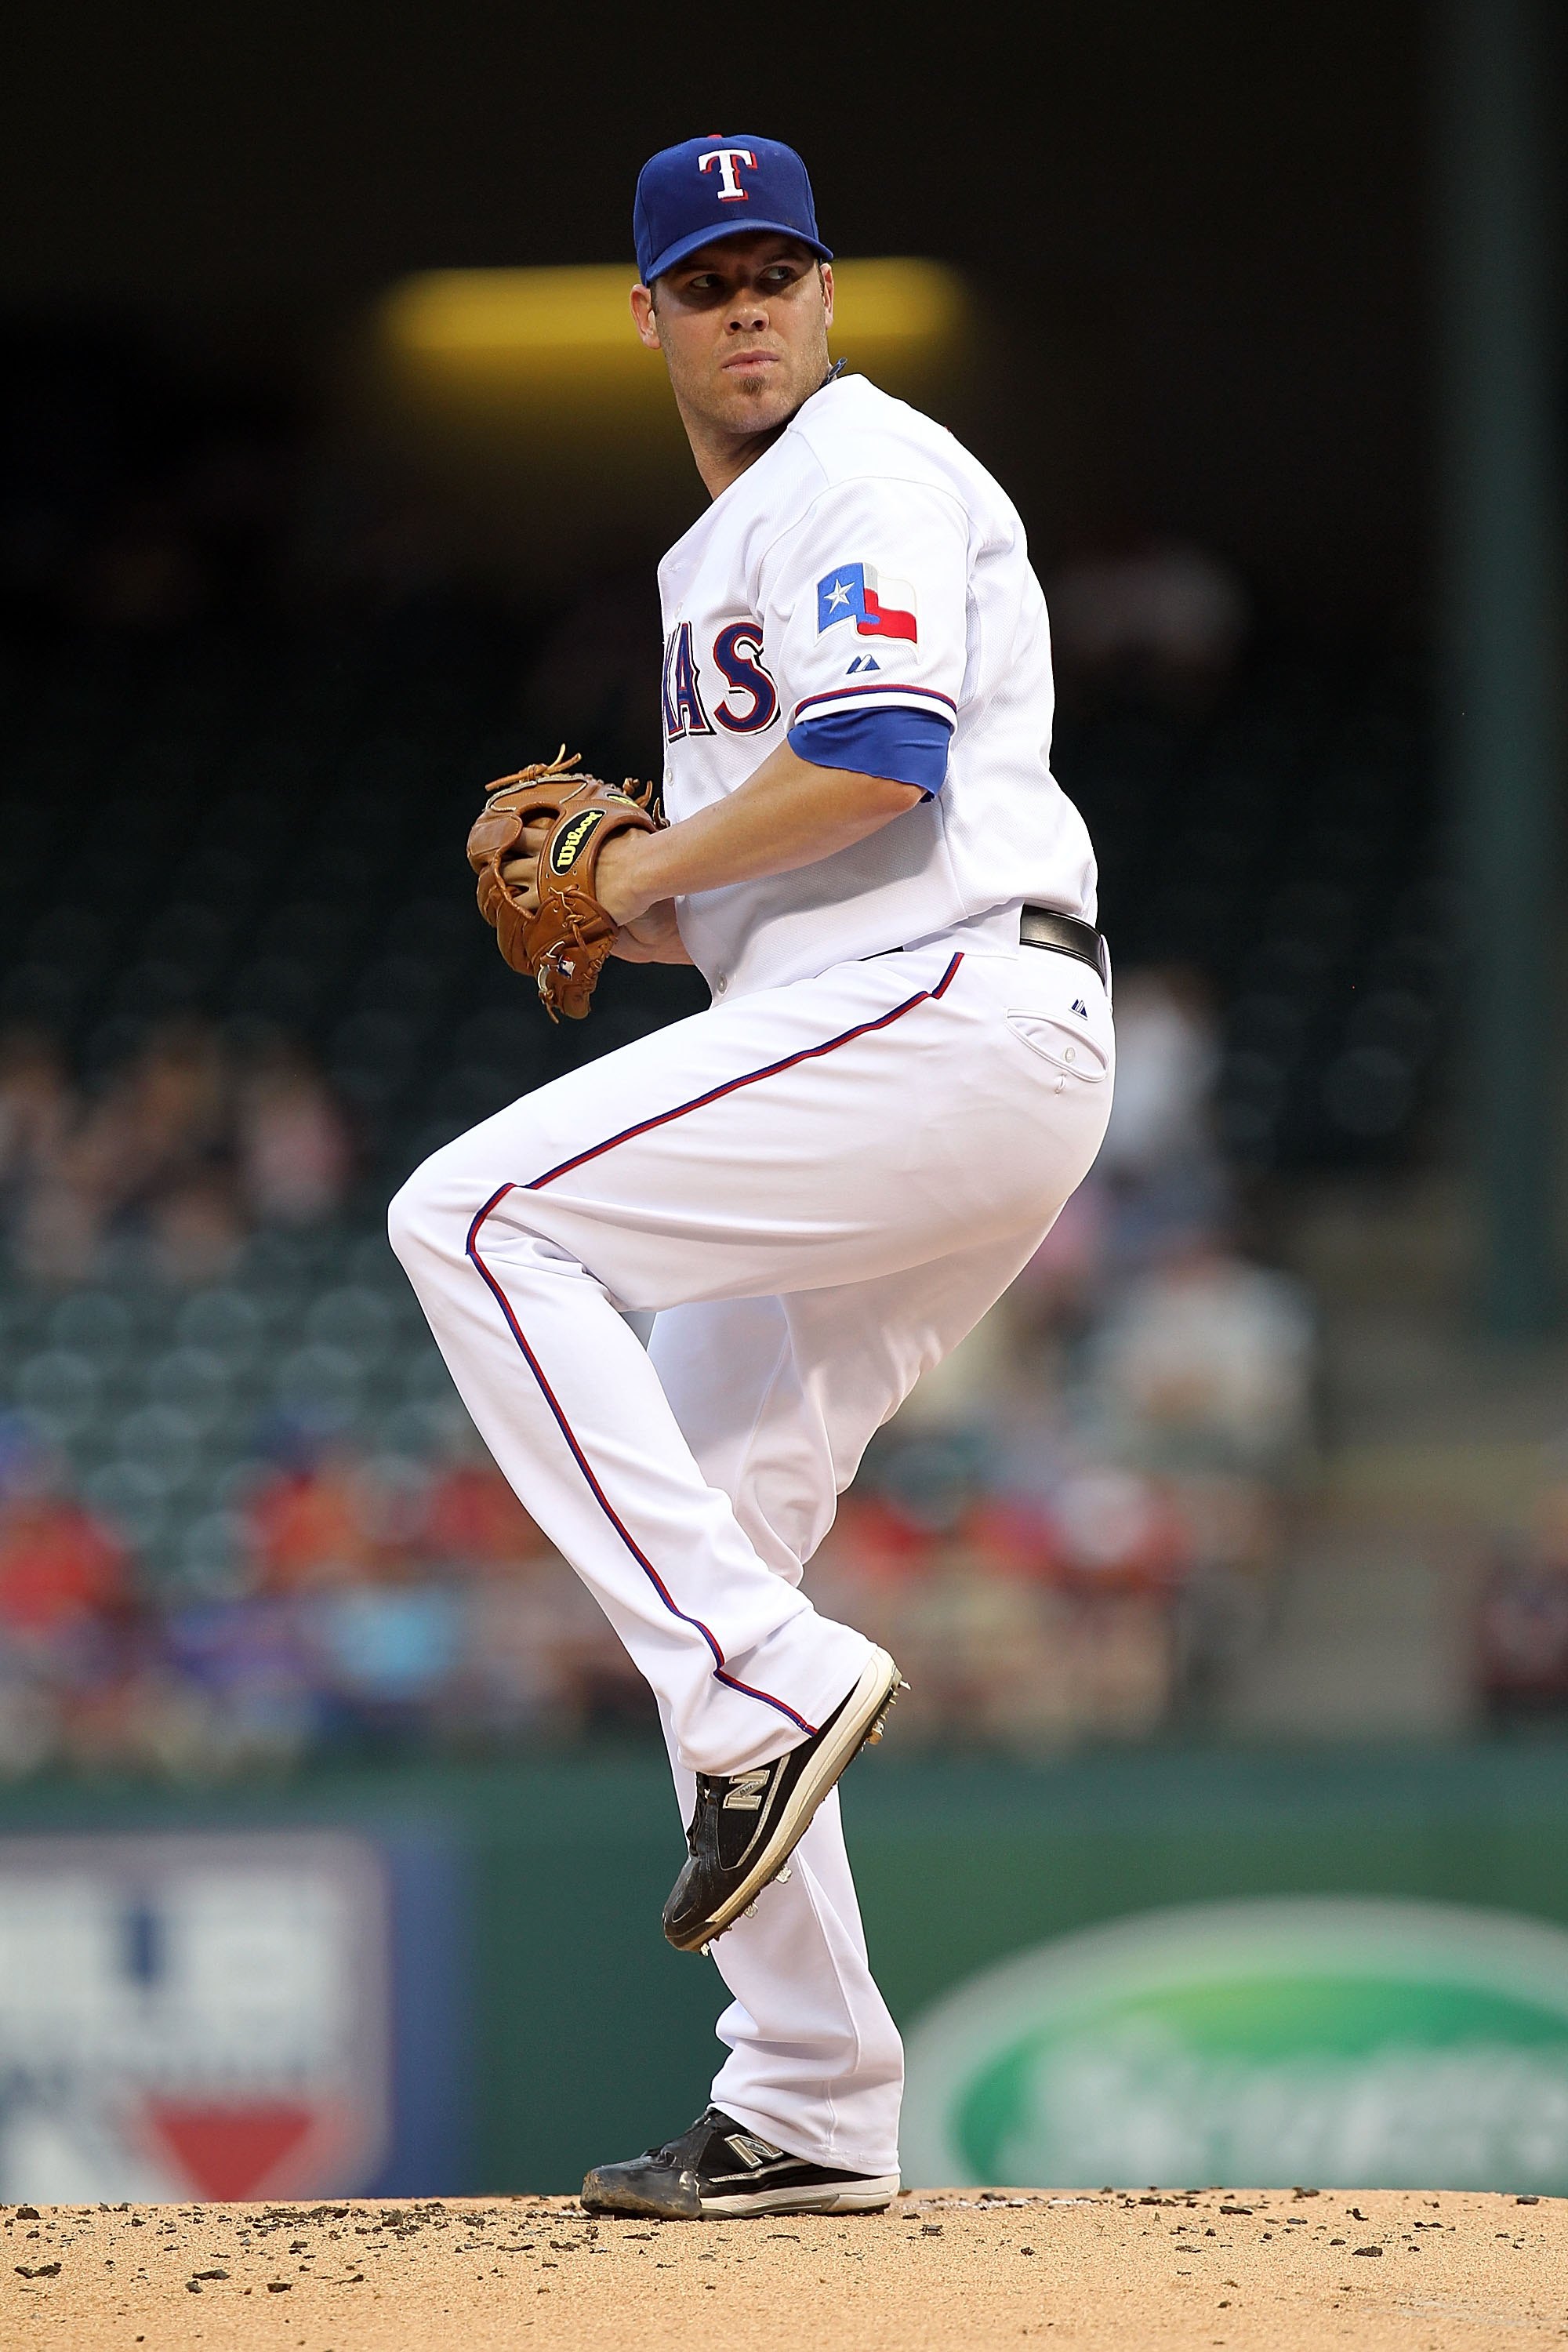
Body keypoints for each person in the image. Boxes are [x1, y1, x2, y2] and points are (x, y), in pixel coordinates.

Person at [389, 132, 1113, 2220]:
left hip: (949, 1016)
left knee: (469, 1212)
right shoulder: (720, 549)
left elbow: (881, 756)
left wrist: (634, 866)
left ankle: (771, 1685)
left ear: (830, 292)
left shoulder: (863, 469)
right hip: (878, 1028)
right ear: (650, 316)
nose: (749, 308)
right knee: (704, 1540)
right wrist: (634, 913)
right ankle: (810, 2099)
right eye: (708, 283)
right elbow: (783, 873)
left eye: (778, 271)